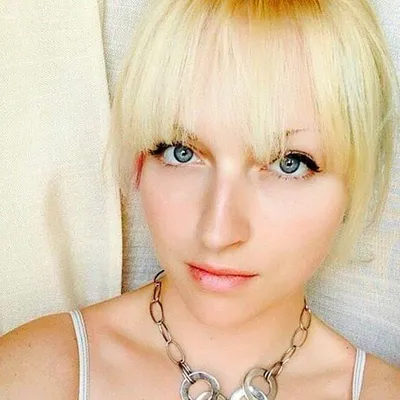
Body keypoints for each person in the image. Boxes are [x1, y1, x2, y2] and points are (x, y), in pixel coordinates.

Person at [0, 0, 399, 398]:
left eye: (288, 163)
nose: (217, 232)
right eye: (181, 152)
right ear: (140, 161)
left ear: (353, 184)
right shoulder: (35, 376)